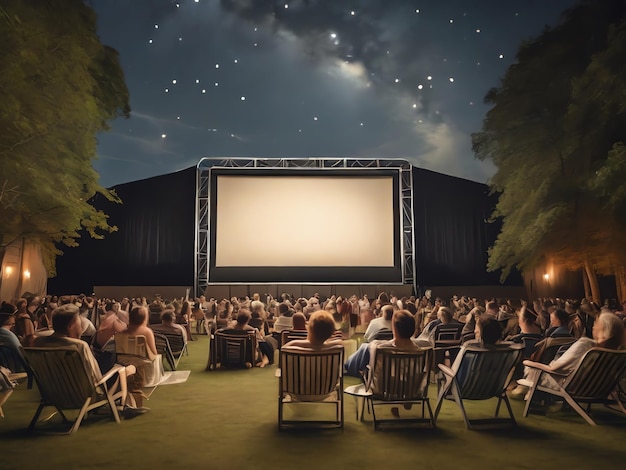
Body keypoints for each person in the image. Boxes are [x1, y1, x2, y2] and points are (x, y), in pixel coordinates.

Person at [31, 304, 143, 419]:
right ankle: (128, 406)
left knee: (110, 356)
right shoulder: (79, 346)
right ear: (70, 326)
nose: (81, 326)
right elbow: (97, 377)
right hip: (84, 395)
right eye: (80, 323)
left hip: (53, 394)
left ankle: (129, 405)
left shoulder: (38, 342)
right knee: (124, 368)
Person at [521, 312, 624, 393]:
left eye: (596, 324)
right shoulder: (617, 353)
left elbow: (555, 368)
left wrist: (529, 363)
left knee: (530, 369)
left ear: (603, 329)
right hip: (597, 388)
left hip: (570, 386)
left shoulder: (587, 345)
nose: (593, 326)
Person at [345, 310, 421, 378]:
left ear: (394, 329)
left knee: (365, 348)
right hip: (411, 390)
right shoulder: (419, 350)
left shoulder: (381, 348)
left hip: (382, 388)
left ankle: (344, 367)